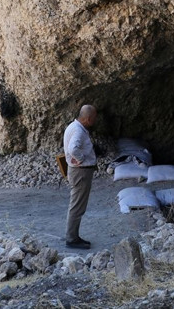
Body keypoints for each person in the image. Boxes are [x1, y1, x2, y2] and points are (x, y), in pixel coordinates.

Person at [63, 104, 98, 249]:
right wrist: (82, 158)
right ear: (88, 119)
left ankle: (73, 236)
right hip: (81, 172)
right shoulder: (78, 131)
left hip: (78, 171)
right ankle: (72, 239)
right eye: (94, 118)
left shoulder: (74, 126)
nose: (95, 121)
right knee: (77, 206)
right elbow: (72, 149)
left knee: (76, 205)